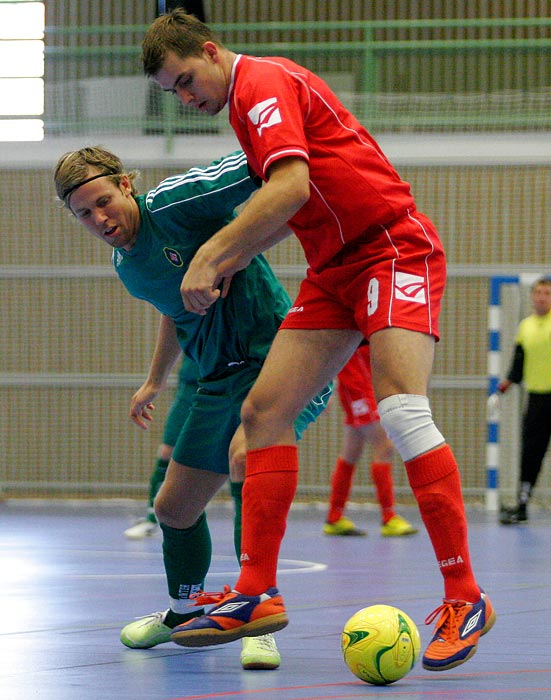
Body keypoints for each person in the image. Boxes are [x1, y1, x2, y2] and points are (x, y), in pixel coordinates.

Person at [141, 10, 495, 672]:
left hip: (391, 248)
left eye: (186, 81)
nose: (186, 99)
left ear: (212, 53)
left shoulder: (261, 84)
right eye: (173, 94)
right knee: (261, 412)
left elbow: (291, 185)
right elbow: (293, 207)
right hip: (333, 268)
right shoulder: (243, 114)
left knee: (398, 406)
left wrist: (213, 254)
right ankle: (257, 593)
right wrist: (239, 255)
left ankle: (464, 596)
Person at [53, 145, 331, 671]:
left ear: (125, 185)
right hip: (214, 378)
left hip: (276, 357)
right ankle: (183, 612)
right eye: (84, 214)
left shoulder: (178, 204)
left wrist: (237, 250)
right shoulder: (128, 266)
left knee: (247, 459)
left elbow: (269, 167)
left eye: (104, 201)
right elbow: (175, 312)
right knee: (173, 509)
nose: (99, 219)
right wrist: (154, 380)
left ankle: (258, 607)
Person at [324, 344, 418, 538]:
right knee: (385, 447)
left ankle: (334, 516)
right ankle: (389, 517)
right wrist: (324, 387)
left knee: (352, 451)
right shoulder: (356, 320)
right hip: (357, 389)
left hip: (366, 388)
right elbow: (330, 349)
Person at [124, 357, 199, 539]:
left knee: (236, 457)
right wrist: (153, 383)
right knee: (167, 451)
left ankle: (248, 523)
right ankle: (152, 517)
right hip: (190, 387)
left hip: (228, 383)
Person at [496, 276, 551, 525]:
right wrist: (504, 385)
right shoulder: (525, 326)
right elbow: (518, 364)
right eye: (538, 292)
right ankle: (522, 505)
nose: (542, 297)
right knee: (530, 453)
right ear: (532, 296)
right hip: (537, 399)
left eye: (547, 293)